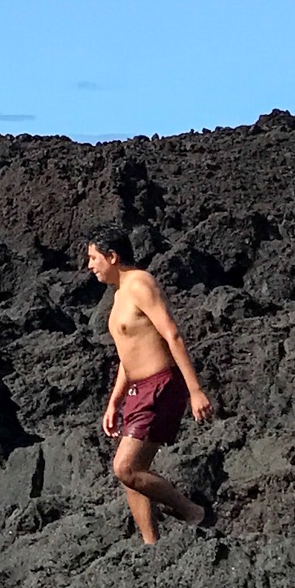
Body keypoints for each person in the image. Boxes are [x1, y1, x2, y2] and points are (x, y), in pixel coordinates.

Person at [86, 230, 214, 542]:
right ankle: (150, 544)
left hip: (161, 385)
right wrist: (114, 402)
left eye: (93, 258)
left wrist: (195, 390)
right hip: (137, 389)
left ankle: (191, 511)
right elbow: (126, 356)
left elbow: (172, 334)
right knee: (132, 474)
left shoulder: (141, 283)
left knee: (125, 467)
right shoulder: (118, 295)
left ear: (113, 257)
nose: (89, 266)